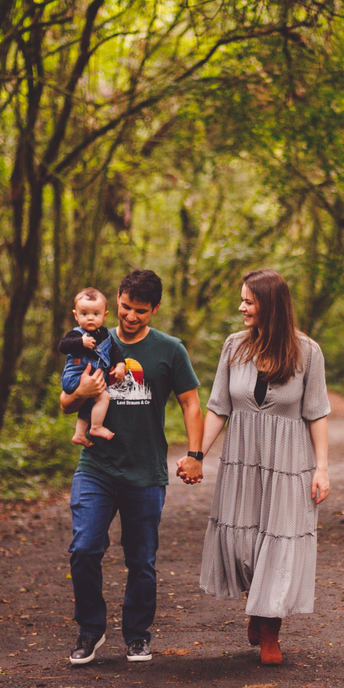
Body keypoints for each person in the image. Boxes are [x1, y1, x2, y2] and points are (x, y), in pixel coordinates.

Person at [60, 269, 205, 665]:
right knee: (84, 549)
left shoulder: (169, 349)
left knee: (141, 560)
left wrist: (195, 455)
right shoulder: (93, 340)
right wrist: (82, 392)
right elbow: (66, 402)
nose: (130, 316)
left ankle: (137, 635)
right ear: (116, 301)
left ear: (154, 309)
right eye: (125, 307)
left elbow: (191, 403)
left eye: (140, 310)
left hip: (146, 472)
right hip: (96, 466)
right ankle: (90, 630)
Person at [187, 269, 331, 665]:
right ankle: (258, 602)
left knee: (280, 542)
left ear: (270, 304)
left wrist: (321, 468)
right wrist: (196, 454)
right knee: (242, 543)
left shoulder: (307, 352)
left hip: (288, 463)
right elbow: (219, 407)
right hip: (242, 461)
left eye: (248, 301)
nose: (241, 307)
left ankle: (270, 629)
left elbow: (317, 413)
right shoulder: (234, 347)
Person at [59, 287, 127, 445]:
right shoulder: (76, 334)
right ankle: (96, 427)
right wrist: (80, 342)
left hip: (93, 380)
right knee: (104, 397)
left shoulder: (105, 335)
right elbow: (63, 346)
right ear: (76, 315)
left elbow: (114, 350)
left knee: (89, 403)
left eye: (96, 314)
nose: (90, 318)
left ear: (105, 315)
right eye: (84, 314)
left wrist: (120, 365)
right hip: (75, 378)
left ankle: (79, 434)